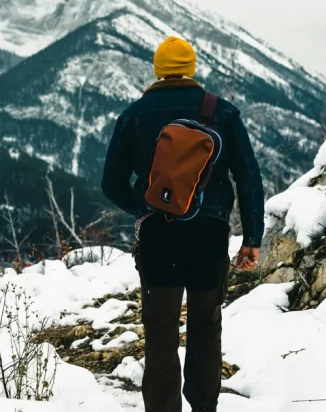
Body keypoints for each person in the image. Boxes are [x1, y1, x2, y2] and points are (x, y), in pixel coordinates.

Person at [101, 36, 265, 412]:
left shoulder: (134, 115)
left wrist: (144, 209)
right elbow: (248, 176)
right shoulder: (222, 112)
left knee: (161, 333)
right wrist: (252, 237)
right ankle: (204, 407)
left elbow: (111, 184)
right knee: (206, 326)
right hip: (209, 233)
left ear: (158, 71)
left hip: (159, 234)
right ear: (191, 70)